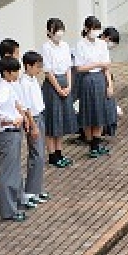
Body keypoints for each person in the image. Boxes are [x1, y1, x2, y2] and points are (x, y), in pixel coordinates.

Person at [0, 57, 27, 222]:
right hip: (8, 132)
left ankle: (6, 205)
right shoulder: (3, 89)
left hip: (12, 133)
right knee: (9, 173)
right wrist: (9, 119)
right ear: (6, 72)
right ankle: (8, 210)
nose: (17, 74)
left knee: (10, 171)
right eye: (15, 71)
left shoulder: (8, 87)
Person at [74, 16, 113, 158]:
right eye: (93, 29)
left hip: (100, 78)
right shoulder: (80, 44)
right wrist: (97, 64)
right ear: (86, 29)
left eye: (97, 29)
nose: (96, 32)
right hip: (87, 78)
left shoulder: (101, 44)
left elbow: (106, 66)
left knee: (100, 111)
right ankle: (91, 143)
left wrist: (109, 84)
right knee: (88, 111)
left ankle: (97, 143)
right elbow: (79, 67)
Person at [42, 18, 77, 168]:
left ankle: (60, 152)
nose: (59, 33)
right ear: (49, 31)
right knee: (52, 120)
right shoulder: (46, 47)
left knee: (61, 119)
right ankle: (52, 155)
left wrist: (69, 85)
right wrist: (58, 88)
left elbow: (69, 67)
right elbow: (48, 71)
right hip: (52, 85)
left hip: (65, 82)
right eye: (56, 30)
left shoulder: (65, 46)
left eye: (61, 29)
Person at [18, 51, 51, 205]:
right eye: (37, 66)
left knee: (40, 155)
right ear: (28, 66)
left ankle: (37, 189)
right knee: (36, 154)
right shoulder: (24, 82)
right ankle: (30, 190)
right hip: (33, 119)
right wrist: (33, 125)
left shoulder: (32, 80)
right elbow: (26, 107)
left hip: (39, 116)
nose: (39, 70)